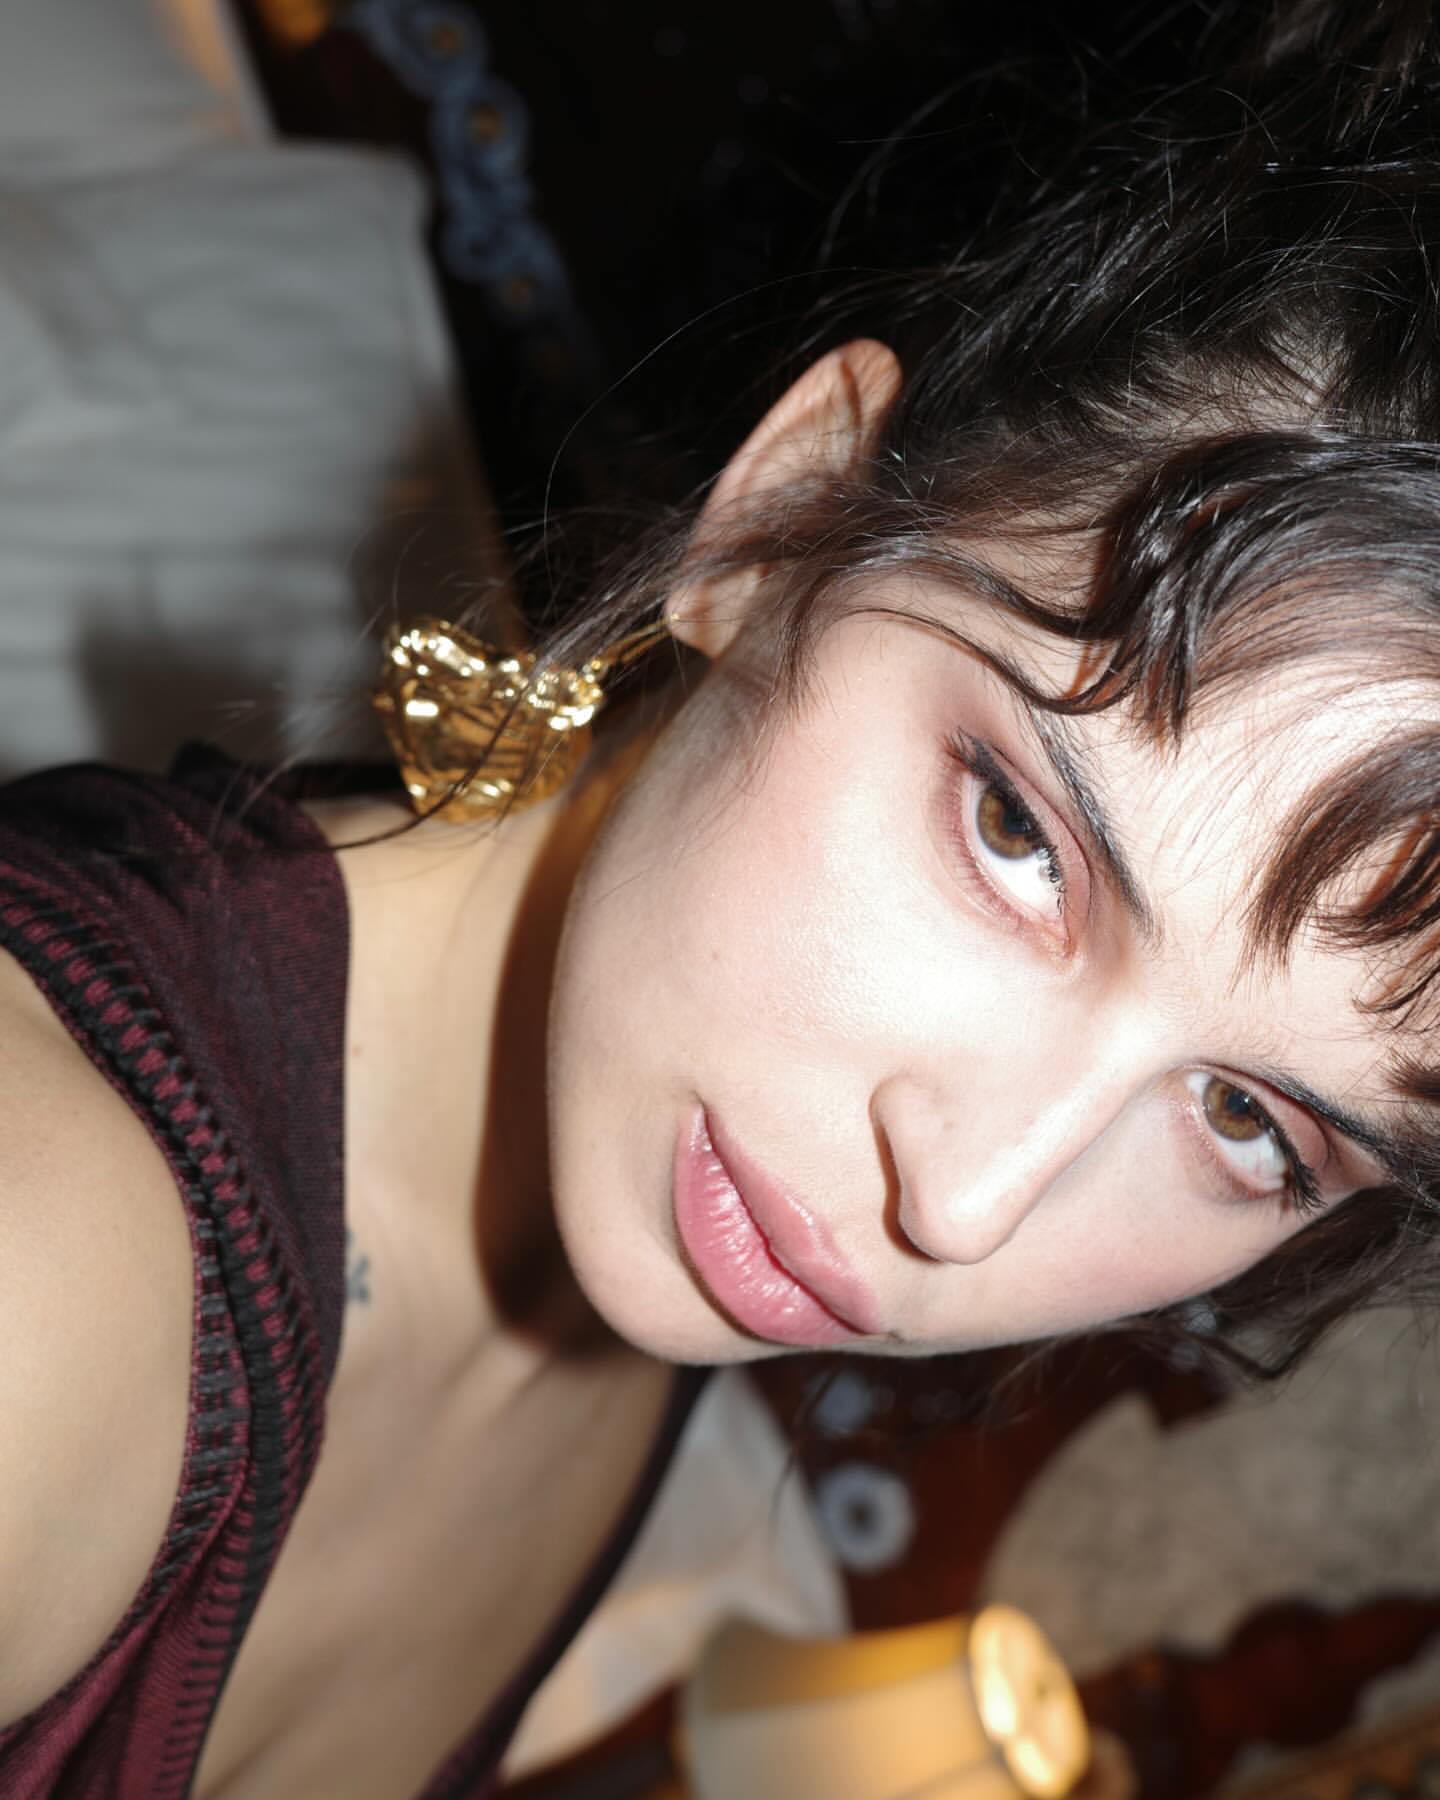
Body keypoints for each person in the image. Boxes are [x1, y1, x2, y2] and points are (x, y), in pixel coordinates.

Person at [5, 0, 1440, 1793]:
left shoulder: (667, 1269)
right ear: (781, 517)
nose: (966, 1209)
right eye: (1018, 834)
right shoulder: (39, 1267)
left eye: (1248, 1122)